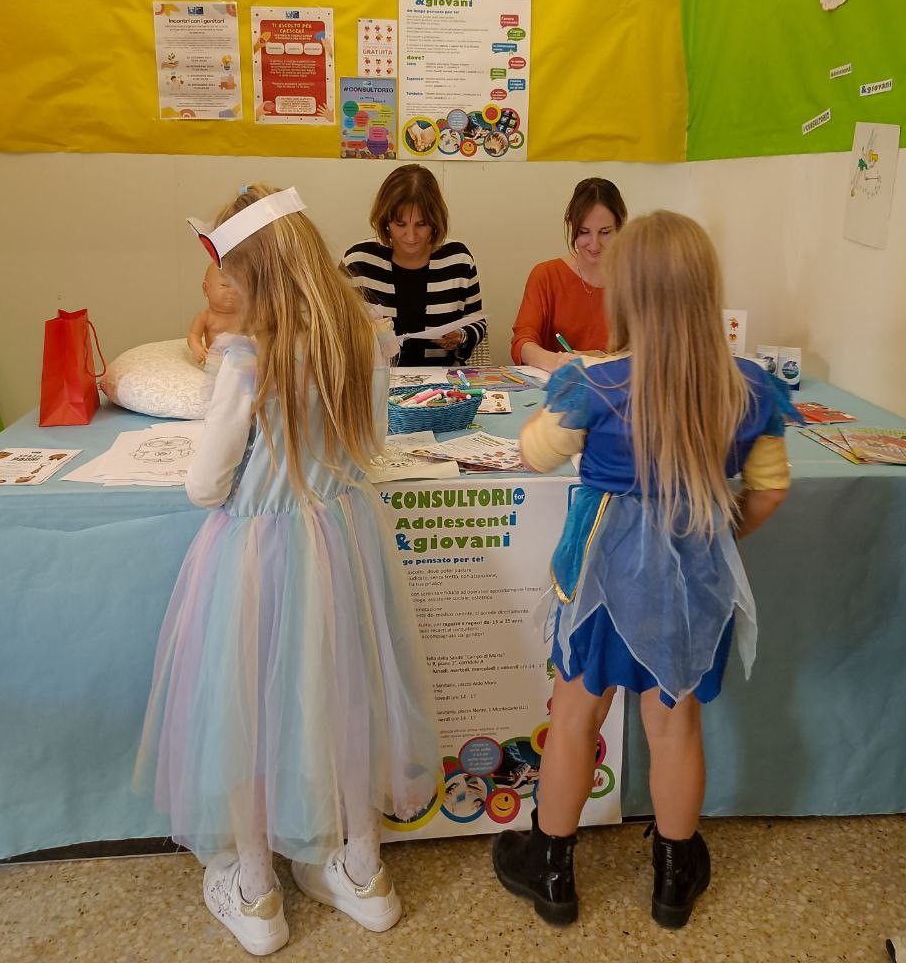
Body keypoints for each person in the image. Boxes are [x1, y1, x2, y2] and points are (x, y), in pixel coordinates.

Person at [135, 184, 440, 957]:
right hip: (343, 541)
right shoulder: (360, 337)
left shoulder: (246, 360)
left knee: (244, 712)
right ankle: (364, 872)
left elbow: (207, 485)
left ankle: (256, 890)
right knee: (347, 698)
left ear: (248, 272)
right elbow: (369, 441)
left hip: (257, 555)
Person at [493, 211, 792, 931]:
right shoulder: (749, 388)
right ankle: (673, 877)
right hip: (690, 586)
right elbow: (770, 490)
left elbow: (534, 453)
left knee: (574, 717)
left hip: (600, 583)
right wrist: (719, 537)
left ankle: (552, 869)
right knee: (675, 723)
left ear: (625, 293)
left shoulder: (595, 385)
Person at [344, 164, 487, 367]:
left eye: (421, 224)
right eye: (400, 224)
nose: (411, 237)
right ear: (385, 221)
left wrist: (462, 335)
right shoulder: (358, 262)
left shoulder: (458, 260)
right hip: (377, 376)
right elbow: (334, 327)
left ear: (436, 222)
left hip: (443, 378)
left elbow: (477, 321)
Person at [510, 177, 627, 373]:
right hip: (558, 385)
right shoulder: (546, 275)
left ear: (620, 227)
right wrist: (555, 361)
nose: (594, 244)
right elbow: (522, 342)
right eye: (584, 232)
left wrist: (600, 358)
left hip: (616, 385)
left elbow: (652, 347)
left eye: (605, 232)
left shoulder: (636, 280)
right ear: (571, 225)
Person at [186, 262, 243, 365]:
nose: (233, 291)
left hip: (241, 360)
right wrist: (197, 348)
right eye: (225, 285)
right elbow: (193, 335)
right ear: (206, 289)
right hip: (216, 361)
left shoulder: (244, 315)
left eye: (239, 286)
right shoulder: (205, 316)